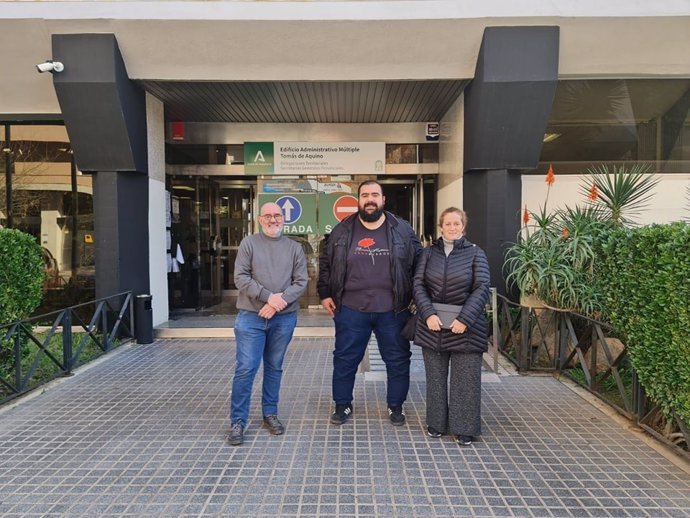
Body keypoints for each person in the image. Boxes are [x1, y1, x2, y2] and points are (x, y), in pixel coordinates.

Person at [318, 180, 422, 426]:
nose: (370, 199)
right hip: (351, 309)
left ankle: (395, 406)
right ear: (359, 199)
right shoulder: (342, 230)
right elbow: (326, 263)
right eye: (365, 195)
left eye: (375, 194)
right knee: (345, 359)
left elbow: (420, 264)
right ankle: (342, 404)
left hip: (394, 310)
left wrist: (417, 298)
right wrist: (324, 293)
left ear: (383, 199)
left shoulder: (402, 230)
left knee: (397, 360)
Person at [227, 202, 308, 446]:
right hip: (251, 317)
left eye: (277, 215)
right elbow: (240, 277)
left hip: (283, 317)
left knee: (274, 366)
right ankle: (238, 421)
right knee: (246, 368)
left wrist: (277, 302)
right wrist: (267, 297)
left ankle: (269, 414)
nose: (273, 219)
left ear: (283, 218)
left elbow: (301, 281)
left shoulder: (295, 248)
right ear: (260, 220)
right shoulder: (249, 244)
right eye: (268, 216)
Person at [412, 207, 490, 446]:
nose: (452, 228)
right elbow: (418, 285)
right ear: (441, 226)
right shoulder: (427, 254)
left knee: (465, 381)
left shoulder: (476, 254)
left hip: (466, 328)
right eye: (448, 224)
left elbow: (482, 288)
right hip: (433, 326)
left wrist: (464, 319)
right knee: (435, 379)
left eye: (457, 223)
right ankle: (437, 423)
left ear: (463, 226)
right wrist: (428, 314)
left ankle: (465, 428)